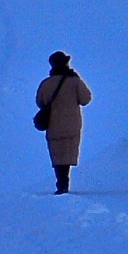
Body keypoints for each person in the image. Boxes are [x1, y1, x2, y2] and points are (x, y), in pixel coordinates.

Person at [35, 51, 92, 194]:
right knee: (68, 154)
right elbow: (86, 99)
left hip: (53, 125)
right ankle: (65, 183)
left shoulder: (46, 83)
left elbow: (39, 102)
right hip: (72, 125)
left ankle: (61, 184)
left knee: (57, 155)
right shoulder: (74, 81)